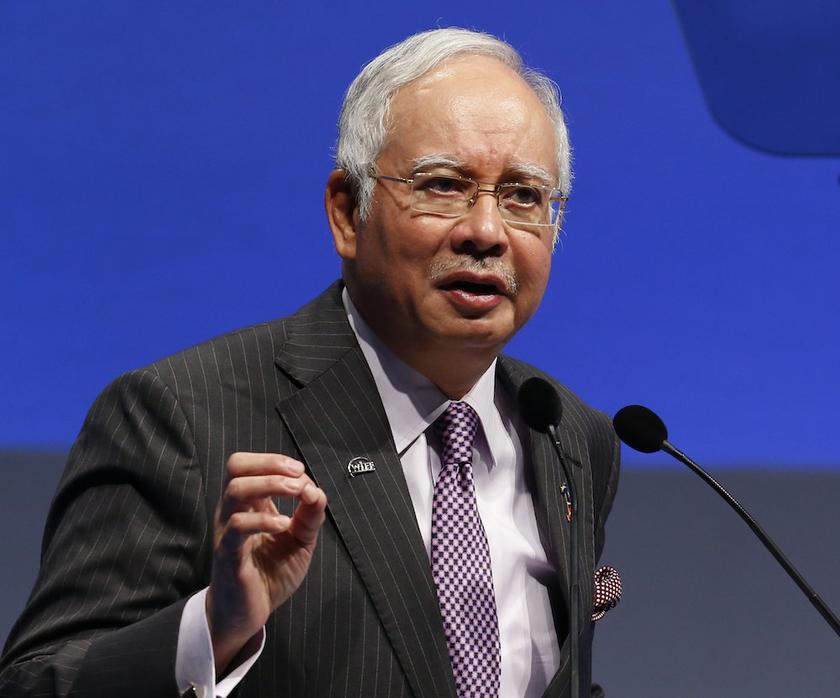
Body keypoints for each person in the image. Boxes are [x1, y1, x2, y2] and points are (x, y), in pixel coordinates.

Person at [0, 27, 620, 698]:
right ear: (348, 213)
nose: (487, 231)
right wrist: (212, 629)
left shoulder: (570, 437)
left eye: (524, 196)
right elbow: (35, 686)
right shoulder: (181, 416)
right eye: (442, 186)